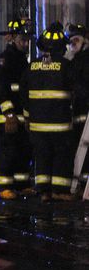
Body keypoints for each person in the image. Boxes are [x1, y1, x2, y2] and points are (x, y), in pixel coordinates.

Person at [21, 22, 76, 201]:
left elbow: (24, 92)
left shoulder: (32, 66)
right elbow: (77, 89)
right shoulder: (67, 65)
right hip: (60, 123)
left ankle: (43, 190)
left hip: (37, 123)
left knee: (42, 155)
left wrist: (27, 117)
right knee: (61, 155)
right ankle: (59, 191)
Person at [0, 20, 33, 199]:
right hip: (8, 116)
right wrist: (8, 113)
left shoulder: (23, 60)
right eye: (22, 40)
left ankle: (21, 184)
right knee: (8, 151)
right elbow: (0, 88)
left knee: (23, 150)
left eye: (27, 40)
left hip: (22, 114)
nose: (25, 43)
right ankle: (3, 186)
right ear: (12, 39)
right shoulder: (3, 60)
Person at [67, 23, 89, 189]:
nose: (73, 43)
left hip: (84, 112)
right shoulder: (74, 60)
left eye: (76, 40)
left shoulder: (84, 60)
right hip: (77, 113)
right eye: (71, 40)